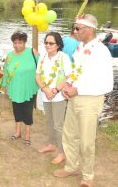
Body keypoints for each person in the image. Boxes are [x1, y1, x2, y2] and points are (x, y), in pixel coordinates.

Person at [53, 14, 113, 187]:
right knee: (69, 134)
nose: (75, 31)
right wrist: (67, 86)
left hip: (90, 100)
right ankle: (71, 166)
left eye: (78, 28)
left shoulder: (101, 51)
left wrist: (77, 90)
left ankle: (87, 176)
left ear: (90, 29)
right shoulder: (80, 47)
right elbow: (76, 72)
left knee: (86, 141)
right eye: (75, 27)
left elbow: (106, 84)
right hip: (73, 97)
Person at [36, 32, 72, 164]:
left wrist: (56, 90)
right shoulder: (43, 57)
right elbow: (37, 76)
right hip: (45, 95)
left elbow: (68, 77)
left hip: (58, 97)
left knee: (58, 125)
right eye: (46, 42)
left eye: (51, 43)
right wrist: (45, 89)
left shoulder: (64, 58)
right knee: (49, 121)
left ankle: (62, 153)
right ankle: (52, 144)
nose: (47, 45)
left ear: (58, 44)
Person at [1, 31, 38, 145]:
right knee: (16, 110)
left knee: (27, 110)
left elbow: (41, 68)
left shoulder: (32, 52)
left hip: (28, 87)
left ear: (25, 43)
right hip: (14, 87)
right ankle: (17, 132)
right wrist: (5, 86)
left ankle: (27, 134)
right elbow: (6, 70)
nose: (17, 45)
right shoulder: (10, 55)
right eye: (15, 43)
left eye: (20, 43)